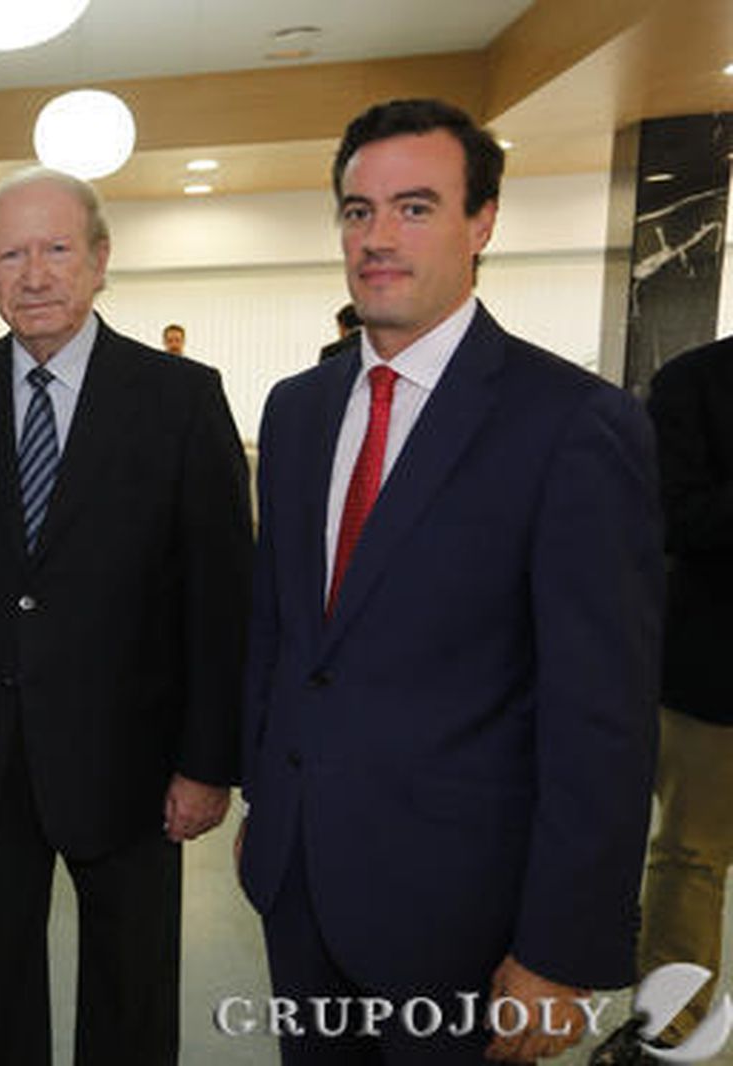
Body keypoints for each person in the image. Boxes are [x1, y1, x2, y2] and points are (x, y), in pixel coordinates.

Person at [238, 97, 662, 1063]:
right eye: (358, 211)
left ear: (483, 223)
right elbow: (283, 632)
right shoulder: (298, 411)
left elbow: (602, 715)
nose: (378, 238)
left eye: (416, 208)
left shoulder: (572, 424)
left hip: (465, 917)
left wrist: (560, 948)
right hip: (301, 887)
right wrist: (269, 805)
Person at [0, 167, 253, 1065]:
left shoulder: (180, 398)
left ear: (99, 259)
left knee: (133, 991)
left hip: (132, 760)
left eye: (56, 248)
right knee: (0, 981)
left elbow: (221, 597)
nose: (35, 274)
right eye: (9, 254)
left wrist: (208, 762)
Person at [620, 334, 733, 1056]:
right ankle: (668, 1029)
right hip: (718, 677)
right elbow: (671, 516)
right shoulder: (696, 382)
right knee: (694, 858)